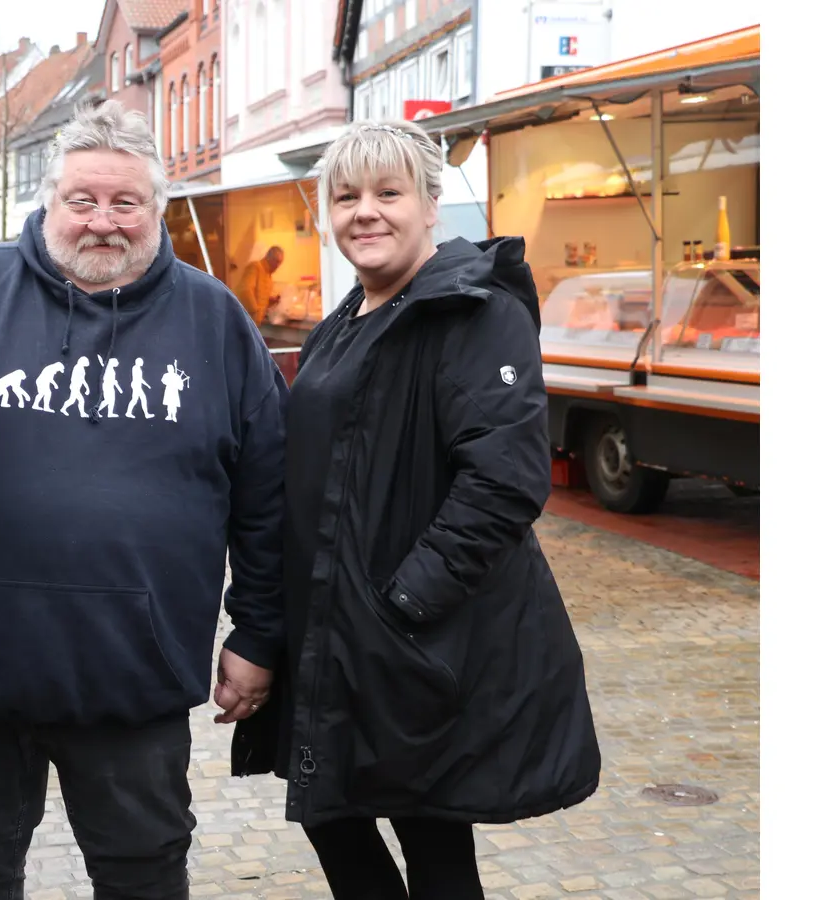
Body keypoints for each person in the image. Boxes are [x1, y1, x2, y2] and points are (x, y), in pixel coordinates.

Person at [0, 99, 287, 900]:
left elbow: (267, 495)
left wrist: (258, 635)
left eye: (126, 203)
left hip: (136, 675)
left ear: (156, 208)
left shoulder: (214, 320)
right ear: (49, 201)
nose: (103, 222)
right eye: (82, 200)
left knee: (144, 875)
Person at [230, 119, 601, 899]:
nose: (365, 211)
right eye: (346, 196)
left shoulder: (471, 312)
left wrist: (400, 604)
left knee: (431, 842)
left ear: (432, 206)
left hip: (414, 640)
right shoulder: (347, 321)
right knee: (332, 812)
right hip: (340, 633)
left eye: (388, 193)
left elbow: (504, 483)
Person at [233, 245, 284, 325]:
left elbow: (260, 298)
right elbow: (245, 290)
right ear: (268, 257)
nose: (277, 266)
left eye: (280, 263)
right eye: (276, 261)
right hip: (245, 320)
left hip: (254, 322)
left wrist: (270, 301)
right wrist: (255, 311)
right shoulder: (255, 267)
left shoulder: (269, 277)